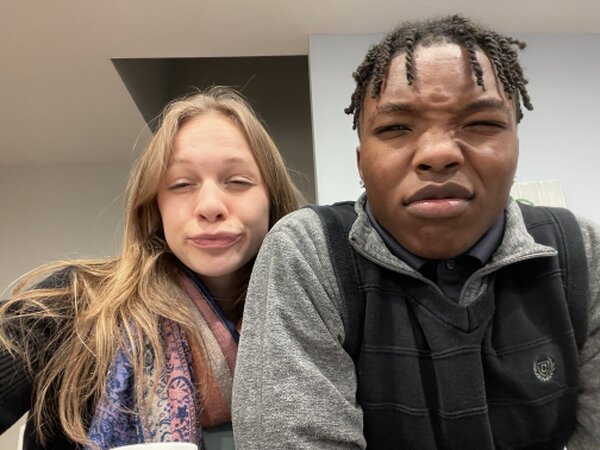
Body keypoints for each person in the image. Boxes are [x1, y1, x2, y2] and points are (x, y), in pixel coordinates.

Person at [232, 15, 600, 449]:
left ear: (516, 148)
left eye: (480, 123)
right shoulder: (312, 255)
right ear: (361, 162)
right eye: (395, 128)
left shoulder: (580, 252)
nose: (438, 154)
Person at [0, 86, 304, 450]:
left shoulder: (316, 319)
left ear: (272, 199)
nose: (210, 206)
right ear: (154, 207)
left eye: (238, 181)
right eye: (181, 184)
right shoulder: (72, 303)